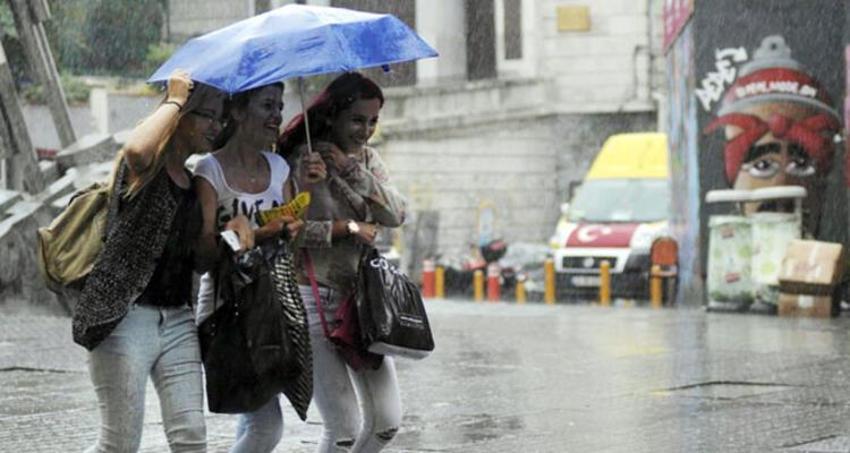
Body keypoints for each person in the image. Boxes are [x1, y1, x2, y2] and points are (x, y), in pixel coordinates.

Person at [73, 70, 225, 452]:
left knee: (191, 435)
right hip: (124, 317)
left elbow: (202, 264)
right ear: (181, 117)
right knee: (120, 443)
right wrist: (174, 98)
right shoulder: (145, 168)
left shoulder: (195, 184)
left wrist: (215, 226)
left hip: (177, 321)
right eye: (207, 115)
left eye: (220, 117)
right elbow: (136, 150)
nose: (216, 125)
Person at [278, 72, 408, 453]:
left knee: (387, 423)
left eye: (372, 121)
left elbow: (397, 213)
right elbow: (292, 233)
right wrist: (345, 224)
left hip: (364, 303)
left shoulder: (368, 160)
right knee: (344, 430)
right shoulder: (301, 159)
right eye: (357, 120)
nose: (365, 130)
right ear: (333, 115)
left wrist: (353, 171)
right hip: (311, 298)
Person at [193, 82, 307, 453]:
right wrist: (254, 234)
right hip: (230, 305)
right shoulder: (209, 169)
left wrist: (292, 225)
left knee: (258, 417)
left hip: (273, 302)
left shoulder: (279, 167)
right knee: (266, 425)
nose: (277, 115)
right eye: (267, 106)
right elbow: (204, 253)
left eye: (280, 106)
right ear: (238, 112)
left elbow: (290, 239)